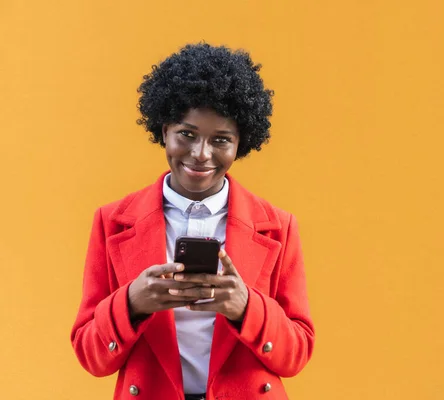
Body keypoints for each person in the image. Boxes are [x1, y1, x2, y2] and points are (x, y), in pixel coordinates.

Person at [70, 43, 315, 400]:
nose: (201, 154)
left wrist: (247, 307)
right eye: (187, 134)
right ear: (165, 129)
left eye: (221, 140)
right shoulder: (112, 222)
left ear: (240, 143)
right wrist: (132, 303)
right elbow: (91, 357)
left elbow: (297, 354)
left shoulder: (278, 225)